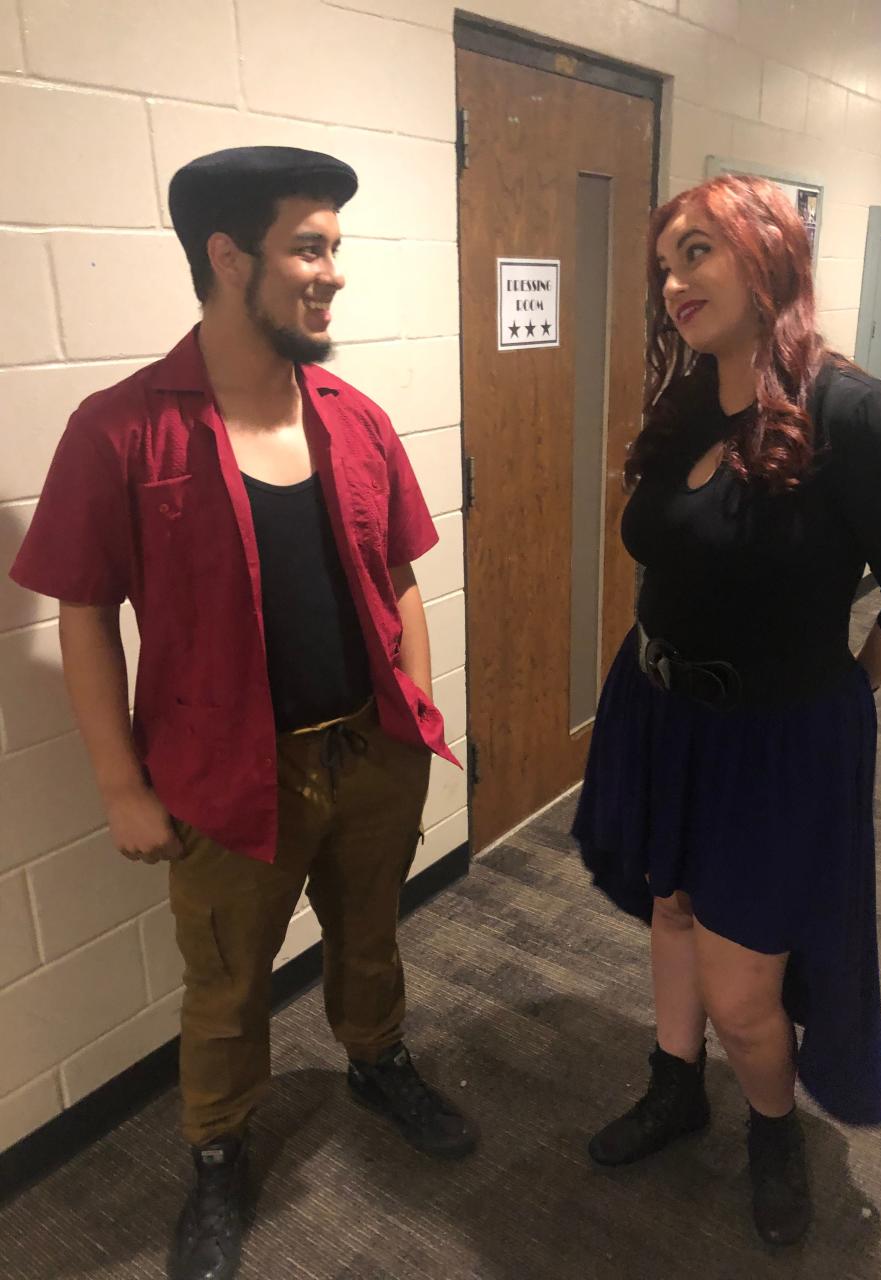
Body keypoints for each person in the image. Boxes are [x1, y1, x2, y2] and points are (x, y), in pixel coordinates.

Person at [11, 146, 477, 1280]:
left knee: (373, 931)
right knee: (226, 981)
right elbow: (81, 612)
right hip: (224, 776)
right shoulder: (120, 428)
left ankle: (377, 1058)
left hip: (369, 749)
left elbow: (402, 575)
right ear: (229, 259)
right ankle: (218, 1150)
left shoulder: (354, 416)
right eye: (308, 247)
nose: (332, 273)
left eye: (334, 248)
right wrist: (122, 785)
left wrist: (415, 708)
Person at [573, 174, 881, 1246]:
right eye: (664, 261)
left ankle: (773, 1128)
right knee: (673, 903)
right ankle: (673, 1079)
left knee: (748, 992)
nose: (672, 279)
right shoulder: (695, 392)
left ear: (767, 256)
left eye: (696, 251)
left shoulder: (857, 414)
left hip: (777, 741)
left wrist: (834, 696)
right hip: (660, 707)